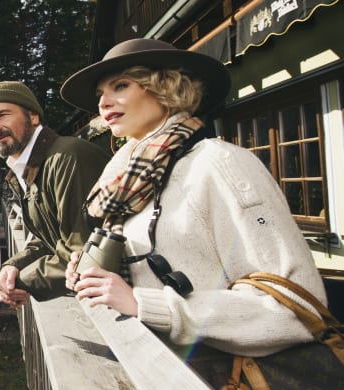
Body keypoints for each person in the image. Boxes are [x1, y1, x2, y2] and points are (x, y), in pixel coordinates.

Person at [60, 38, 325, 356]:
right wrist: (100, 275)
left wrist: (144, 303)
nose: (103, 103)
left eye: (120, 86)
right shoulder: (122, 182)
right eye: (100, 94)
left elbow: (292, 307)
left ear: (165, 88)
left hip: (228, 389)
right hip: (160, 375)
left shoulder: (219, 163)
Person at [0, 81, 110, 307]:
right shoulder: (30, 170)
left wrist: (20, 281)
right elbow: (49, 237)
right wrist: (13, 265)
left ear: (33, 117)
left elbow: (83, 248)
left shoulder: (67, 158)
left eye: (3, 115)